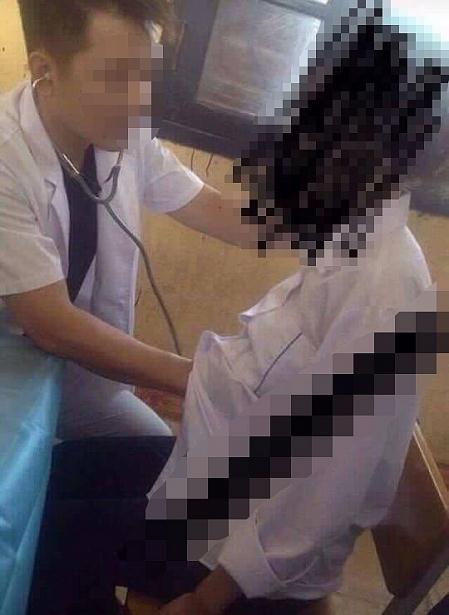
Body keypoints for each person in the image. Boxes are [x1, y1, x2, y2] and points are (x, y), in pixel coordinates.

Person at [25, 5, 448, 615]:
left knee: (42, 539)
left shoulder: (384, 286)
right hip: (216, 480)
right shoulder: (347, 242)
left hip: (231, 545)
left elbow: (319, 497)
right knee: (43, 490)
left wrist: (207, 600)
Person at [0, 0, 252, 441]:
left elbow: (220, 212)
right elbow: (51, 324)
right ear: (45, 70)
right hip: (10, 380)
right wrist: (203, 377)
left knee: (161, 455)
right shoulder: (7, 157)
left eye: (146, 76)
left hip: (78, 384)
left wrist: (334, 216)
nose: (139, 101)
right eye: (117, 77)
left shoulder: (123, 137)